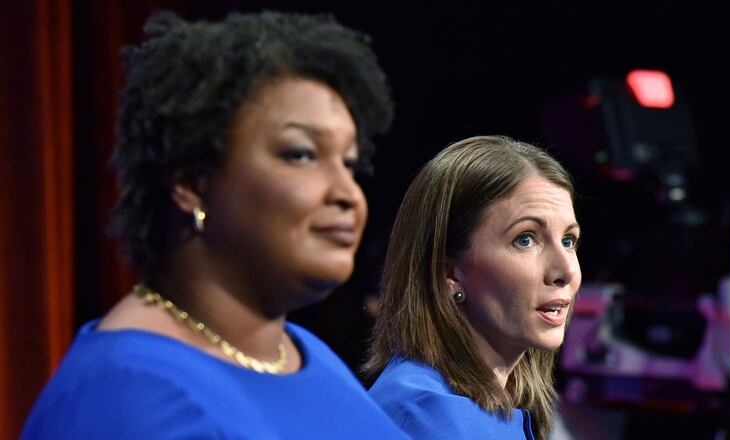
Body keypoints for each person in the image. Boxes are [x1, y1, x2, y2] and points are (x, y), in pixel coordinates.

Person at [22, 10, 408, 439]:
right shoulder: (127, 399)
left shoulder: (297, 352)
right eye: (301, 154)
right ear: (190, 181)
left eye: (350, 163)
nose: (348, 194)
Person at [365, 135, 582, 440]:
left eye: (568, 241)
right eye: (525, 239)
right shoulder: (423, 418)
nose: (566, 271)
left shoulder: (496, 407)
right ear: (450, 273)